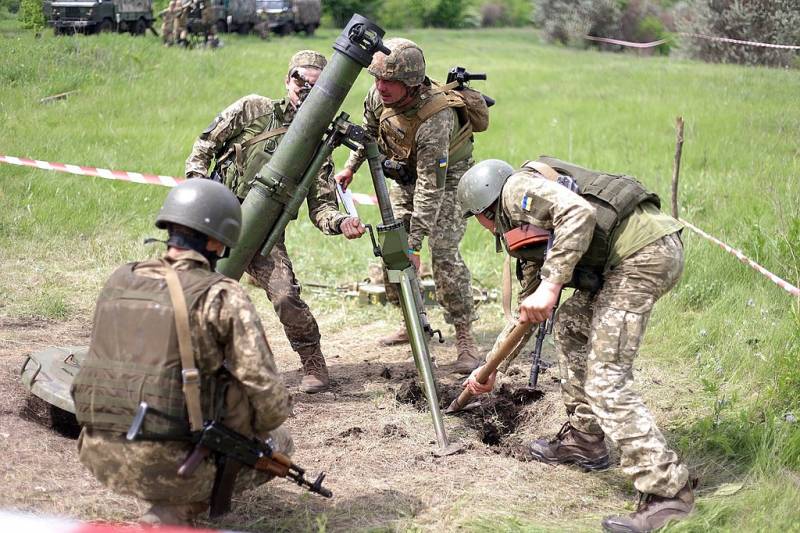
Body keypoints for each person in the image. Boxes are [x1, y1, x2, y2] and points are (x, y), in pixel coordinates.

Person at [458, 157, 694, 532]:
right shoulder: (528, 224)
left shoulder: (515, 191)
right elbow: (527, 314)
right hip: (639, 254)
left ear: (483, 210)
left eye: (477, 219)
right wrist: (488, 369)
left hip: (642, 256)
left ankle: (668, 493)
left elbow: (578, 212)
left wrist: (553, 286)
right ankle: (585, 438)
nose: (485, 228)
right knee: (569, 323)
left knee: (605, 379)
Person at [71, 179, 292, 526]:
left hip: (98, 451)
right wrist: (250, 429)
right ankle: (174, 510)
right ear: (218, 241)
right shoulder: (222, 295)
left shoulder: (120, 279)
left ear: (170, 228)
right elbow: (267, 396)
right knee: (279, 443)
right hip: (166, 464)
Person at [185, 50, 365, 393]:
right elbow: (204, 145)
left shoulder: (317, 146)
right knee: (194, 292)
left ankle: (314, 363)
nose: (305, 89)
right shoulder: (254, 109)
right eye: (300, 79)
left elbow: (322, 207)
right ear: (287, 80)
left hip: (263, 235)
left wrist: (341, 223)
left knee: (285, 296)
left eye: (316, 84)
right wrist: (198, 193)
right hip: (218, 220)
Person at [334, 38, 479, 374]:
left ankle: (465, 339)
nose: (381, 87)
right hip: (407, 174)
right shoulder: (377, 96)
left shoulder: (435, 117)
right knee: (392, 249)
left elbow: (431, 185)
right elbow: (369, 134)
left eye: (390, 82)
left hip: (448, 180)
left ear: (411, 84)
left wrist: (416, 242)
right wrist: (350, 167)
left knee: (443, 252)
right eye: (377, 79)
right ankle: (413, 322)